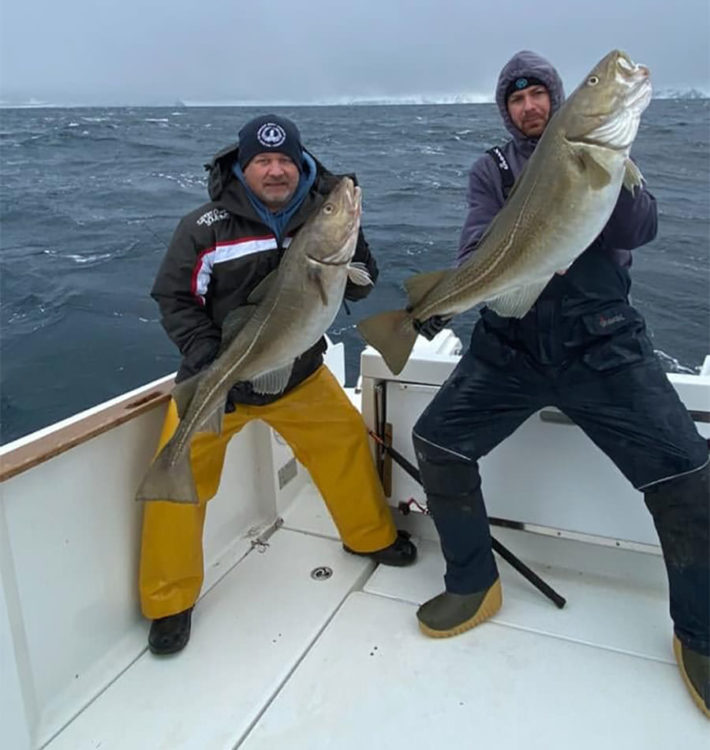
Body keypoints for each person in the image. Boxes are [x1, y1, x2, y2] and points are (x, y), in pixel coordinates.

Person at [411, 51, 710, 717]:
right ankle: (473, 582)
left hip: (602, 343)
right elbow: (469, 255)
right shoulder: (490, 170)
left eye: (540, 92)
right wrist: (466, 286)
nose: (528, 104)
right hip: (510, 349)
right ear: (505, 108)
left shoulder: (601, 152)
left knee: (686, 471)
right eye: (514, 96)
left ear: (563, 101)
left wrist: (611, 163)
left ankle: (702, 635)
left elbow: (642, 227)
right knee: (437, 440)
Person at [142, 114, 417, 655]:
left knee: (344, 443)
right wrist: (205, 356)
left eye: (285, 160)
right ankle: (169, 599)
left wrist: (343, 223)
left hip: (299, 373)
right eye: (262, 161)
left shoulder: (318, 221)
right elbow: (174, 298)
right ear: (243, 168)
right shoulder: (205, 227)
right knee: (178, 468)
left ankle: (372, 538)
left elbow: (361, 288)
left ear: (301, 166)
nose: (274, 171)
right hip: (219, 375)